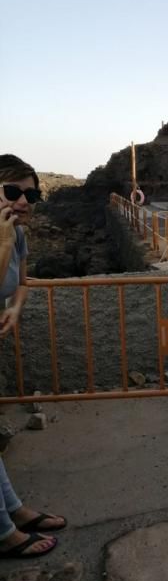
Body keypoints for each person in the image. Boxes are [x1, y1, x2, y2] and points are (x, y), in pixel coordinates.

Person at [0, 154, 66, 559]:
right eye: (12, 191)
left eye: (31, 194)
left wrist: (15, 307)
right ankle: (5, 533)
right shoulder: (9, 235)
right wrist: (4, 242)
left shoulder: (18, 235)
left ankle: (14, 511)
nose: (23, 201)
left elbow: (21, 282)